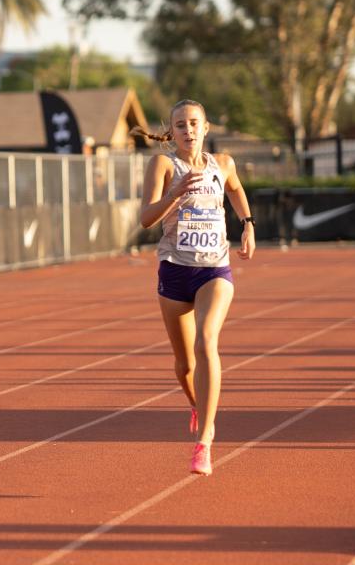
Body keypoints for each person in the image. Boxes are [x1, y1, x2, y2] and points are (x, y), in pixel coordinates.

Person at [134, 99, 255, 476]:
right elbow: (145, 219)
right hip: (174, 270)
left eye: (194, 124)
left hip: (213, 270)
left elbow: (234, 189)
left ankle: (204, 440)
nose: (189, 130)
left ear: (206, 128)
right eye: (181, 125)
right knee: (185, 365)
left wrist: (247, 222)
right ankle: (196, 403)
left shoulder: (224, 164)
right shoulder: (164, 164)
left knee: (206, 342)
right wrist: (172, 196)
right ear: (172, 131)